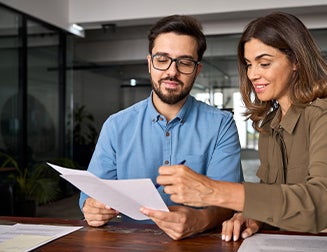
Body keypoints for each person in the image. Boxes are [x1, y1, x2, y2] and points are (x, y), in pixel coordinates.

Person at [154, 12, 327, 241]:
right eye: (249, 64)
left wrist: (213, 191)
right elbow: (276, 194)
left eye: (264, 63)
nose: (253, 74)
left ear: (296, 61)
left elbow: (321, 203)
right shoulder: (270, 125)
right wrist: (254, 216)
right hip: (299, 234)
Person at [79, 14, 243, 240]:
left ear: (197, 70)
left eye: (184, 62)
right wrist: (91, 207)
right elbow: (91, 193)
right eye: (162, 59)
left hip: (199, 243)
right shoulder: (116, 126)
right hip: (130, 242)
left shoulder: (221, 125)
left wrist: (200, 220)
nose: (172, 72)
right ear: (149, 63)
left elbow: (228, 200)